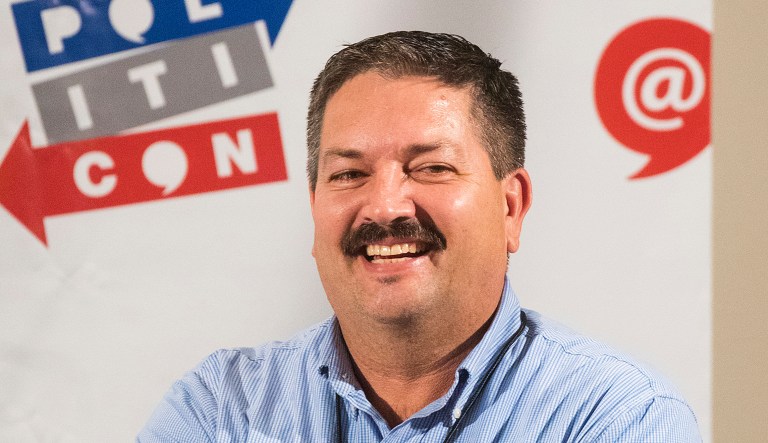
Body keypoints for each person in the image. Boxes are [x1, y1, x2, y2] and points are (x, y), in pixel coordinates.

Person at [137, 31, 701, 442]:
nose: (384, 206)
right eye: (349, 174)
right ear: (314, 209)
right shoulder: (219, 412)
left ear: (511, 206)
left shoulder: (617, 419)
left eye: (431, 168)